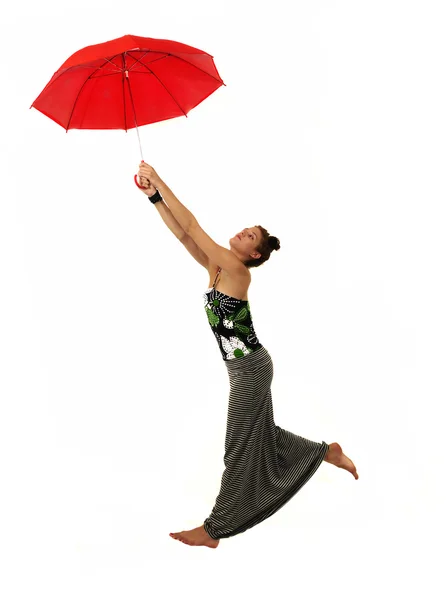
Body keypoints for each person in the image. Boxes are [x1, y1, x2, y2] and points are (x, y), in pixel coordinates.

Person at [137, 162, 358, 549]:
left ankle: (214, 529)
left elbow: (192, 227)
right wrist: (154, 197)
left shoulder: (238, 271)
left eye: (249, 235)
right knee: (260, 436)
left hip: (251, 369)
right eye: (246, 229)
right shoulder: (217, 266)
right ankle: (327, 452)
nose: (242, 232)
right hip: (245, 369)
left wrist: (159, 178)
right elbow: (183, 237)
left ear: (253, 254)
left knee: (238, 446)